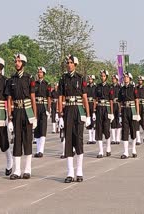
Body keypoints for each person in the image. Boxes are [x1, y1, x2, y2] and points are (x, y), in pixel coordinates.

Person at [58, 55, 91, 183]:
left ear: (75, 65)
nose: (69, 65)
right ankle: (70, 172)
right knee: (68, 140)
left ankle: (79, 171)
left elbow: (84, 98)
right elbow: (61, 97)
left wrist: (88, 115)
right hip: (68, 111)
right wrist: (60, 115)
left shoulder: (80, 78)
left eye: (71, 63)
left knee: (79, 139)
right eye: (68, 63)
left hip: (78, 110)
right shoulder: (63, 78)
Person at [6, 53, 37, 180]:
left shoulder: (29, 78)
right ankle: (17, 170)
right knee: (17, 139)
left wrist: (34, 116)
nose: (16, 63)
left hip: (27, 110)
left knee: (27, 139)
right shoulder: (11, 79)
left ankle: (27, 170)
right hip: (17, 111)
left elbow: (33, 98)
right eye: (15, 61)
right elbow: (9, 99)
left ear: (23, 63)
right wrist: (9, 118)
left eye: (19, 61)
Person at [118, 72, 140, 158]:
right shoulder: (121, 89)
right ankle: (125, 152)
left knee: (133, 129)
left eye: (127, 77)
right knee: (125, 130)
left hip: (132, 109)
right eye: (124, 77)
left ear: (130, 78)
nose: (125, 78)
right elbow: (119, 102)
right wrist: (120, 113)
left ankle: (133, 149)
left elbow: (137, 101)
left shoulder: (133, 88)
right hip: (124, 110)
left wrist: (137, 113)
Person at [93, 70, 113, 158]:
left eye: (104, 76)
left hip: (107, 108)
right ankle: (100, 151)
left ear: (107, 77)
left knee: (106, 129)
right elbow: (95, 99)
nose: (102, 77)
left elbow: (111, 100)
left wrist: (111, 113)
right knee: (99, 129)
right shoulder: (97, 86)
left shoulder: (109, 87)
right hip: (99, 108)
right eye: (101, 76)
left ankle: (108, 147)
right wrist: (94, 111)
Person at [34, 67, 51, 158]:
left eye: (41, 72)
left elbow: (49, 98)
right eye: (38, 72)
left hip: (43, 106)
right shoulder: (34, 84)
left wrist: (48, 109)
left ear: (44, 74)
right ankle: (37, 150)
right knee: (36, 128)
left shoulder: (47, 84)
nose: (39, 74)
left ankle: (41, 150)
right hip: (36, 106)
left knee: (43, 127)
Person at [135, 76, 144, 145]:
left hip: (142, 106)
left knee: (143, 122)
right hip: (137, 106)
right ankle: (138, 139)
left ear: (143, 81)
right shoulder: (135, 88)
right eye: (139, 80)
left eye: (141, 80)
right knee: (136, 122)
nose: (139, 81)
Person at [110, 74, 121, 145]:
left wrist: (120, 108)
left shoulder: (120, 87)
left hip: (118, 104)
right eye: (112, 79)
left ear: (117, 80)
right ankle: (113, 138)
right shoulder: (110, 87)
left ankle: (118, 138)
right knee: (112, 121)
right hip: (112, 104)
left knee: (118, 121)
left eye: (114, 79)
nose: (113, 80)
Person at [86, 75, 96, 145]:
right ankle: (90, 138)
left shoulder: (95, 87)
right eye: (89, 79)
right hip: (88, 104)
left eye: (91, 79)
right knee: (88, 122)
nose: (90, 80)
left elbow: (96, 98)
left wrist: (95, 108)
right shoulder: (86, 87)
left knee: (94, 122)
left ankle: (94, 138)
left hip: (93, 104)